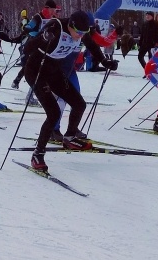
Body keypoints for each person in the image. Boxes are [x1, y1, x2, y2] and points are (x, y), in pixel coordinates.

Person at [24, 10, 119, 171]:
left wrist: (105, 61)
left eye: (83, 33)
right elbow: (27, 48)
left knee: (79, 104)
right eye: (78, 32)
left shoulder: (81, 32)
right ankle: (37, 154)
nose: (80, 36)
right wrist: (43, 39)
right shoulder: (56, 26)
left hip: (54, 71)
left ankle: (69, 137)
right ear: (71, 25)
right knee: (53, 113)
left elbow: (91, 45)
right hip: (36, 72)